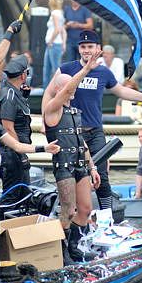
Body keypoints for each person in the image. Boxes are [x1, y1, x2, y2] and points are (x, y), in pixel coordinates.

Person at [59, 30, 142, 212]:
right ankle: (71, 216)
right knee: (72, 175)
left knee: (102, 175)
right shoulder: (66, 69)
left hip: (95, 132)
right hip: (72, 132)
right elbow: (51, 93)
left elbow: (123, 92)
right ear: (79, 49)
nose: (86, 50)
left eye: (90, 47)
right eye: (83, 47)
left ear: (98, 49)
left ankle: (106, 218)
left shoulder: (104, 73)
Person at [41, 57, 100, 262]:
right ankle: (62, 250)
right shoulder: (52, 109)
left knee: (85, 209)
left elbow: (81, 142)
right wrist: (85, 70)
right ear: (58, 89)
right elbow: (67, 90)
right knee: (68, 209)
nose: (72, 89)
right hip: (64, 166)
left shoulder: (74, 111)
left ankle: (74, 247)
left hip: (80, 165)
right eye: (67, 86)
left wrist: (92, 167)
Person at [0, 55, 34, 198]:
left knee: (24, 195)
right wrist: (21, 154)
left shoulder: (15, 93)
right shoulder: (10, 96)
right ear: (23, 75)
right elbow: (8, 128)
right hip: (13, 154)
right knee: (14, 197)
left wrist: (24, 96)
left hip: (16, 151)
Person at [42, 0, 66, 86]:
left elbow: (57, 29)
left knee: (53, 69)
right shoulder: (60, 13)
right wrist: (64, 43)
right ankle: (48, 90)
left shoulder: (55, 13)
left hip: (53, 44)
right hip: (56, 44)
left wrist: (51, 41)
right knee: (49, 68)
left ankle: (52, 91)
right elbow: (63, 31)